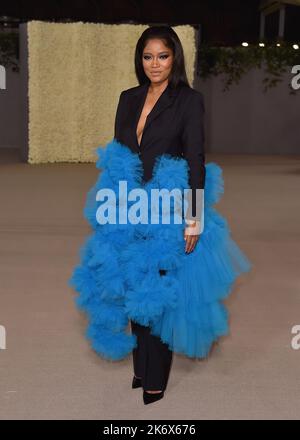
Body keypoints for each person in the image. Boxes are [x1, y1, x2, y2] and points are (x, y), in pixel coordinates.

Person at [69, 26, 252, 406]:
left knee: (156, 293)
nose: (155, 64)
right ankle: (141, 368)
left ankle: (155, 379)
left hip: (167, 208)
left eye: (163, 56)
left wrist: (195, 216)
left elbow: (196, 160)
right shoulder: (128, 98)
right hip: (127, 208)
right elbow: (120, 157)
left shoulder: (188, 101)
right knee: (131, 289)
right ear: (140, 59)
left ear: (175, 59)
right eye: (148, 56)